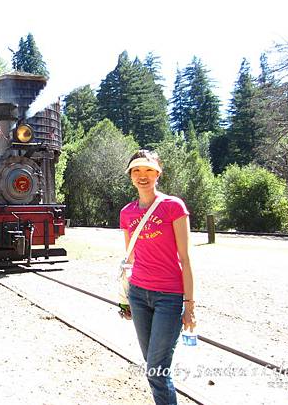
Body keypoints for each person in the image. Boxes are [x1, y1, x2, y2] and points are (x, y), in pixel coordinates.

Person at [120, 149, 196, 405]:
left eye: (149, 170)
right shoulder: (126, 213)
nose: (143, 175)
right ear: (131, 175)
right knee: (154, 366)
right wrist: (126, 299)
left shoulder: (173, 206)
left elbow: (185, 259)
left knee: (156, 368)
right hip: (138, 295)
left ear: (158, 174)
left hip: (169, 297)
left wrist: (190, 305)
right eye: (137, 170)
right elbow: (130, 259)